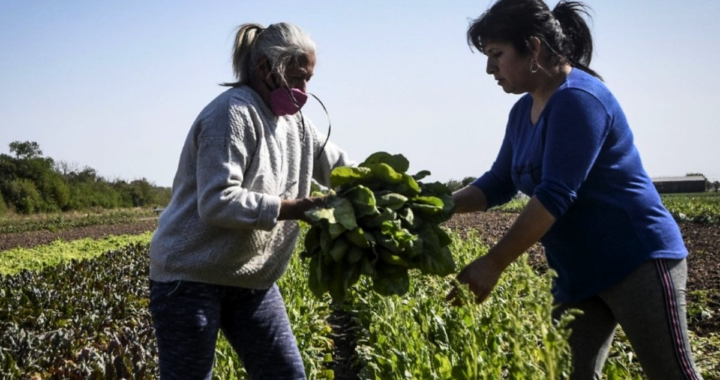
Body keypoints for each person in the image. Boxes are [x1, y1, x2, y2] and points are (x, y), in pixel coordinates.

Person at [449, 1, 704, 379]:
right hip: (577, 274)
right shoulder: (522, 112)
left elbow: (554, 195)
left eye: (496, 54)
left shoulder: (579, 99)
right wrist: (436, 205)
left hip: (637, 261)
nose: (490, 69)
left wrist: (493, 262)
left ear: (534, 47)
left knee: (672, 374)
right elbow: (499, 182)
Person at [148, 22, 351, 380]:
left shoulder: (298, 123)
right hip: (190, 277)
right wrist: (293, 209)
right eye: (298, 78)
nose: (304, 90)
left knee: (286, 374)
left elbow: (339, 167)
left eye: (309, 80)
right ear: (265, 69)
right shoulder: (231, 114)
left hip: (251, 280)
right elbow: (217, 201)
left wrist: (381, 189)